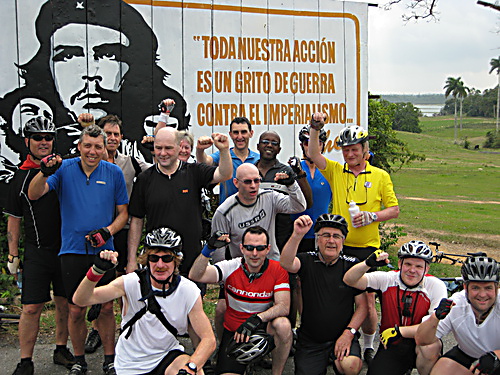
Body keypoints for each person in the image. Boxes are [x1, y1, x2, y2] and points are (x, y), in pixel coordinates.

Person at [0, 0, 189, 182]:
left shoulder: (135, 152)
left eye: (109, 54)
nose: (91, 73)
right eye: (69, 55)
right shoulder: (19, 121)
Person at [28, 124, 129, 375]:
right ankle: (79, 360)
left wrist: (107, 231)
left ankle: (109, 359)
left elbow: (123, 214)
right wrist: (43, 172)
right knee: (76, 308)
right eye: (87, 146)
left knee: (105, 307)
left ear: (105, 148)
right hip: (71, 250)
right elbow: (34, 194)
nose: (92, 151)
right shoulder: (64, 168)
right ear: (79, 146)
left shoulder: (114, 172)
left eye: (98, 146)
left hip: (104, 251)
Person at [308, 113, 400, 362]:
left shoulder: (380, 175)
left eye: (354, 149)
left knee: (368, 304)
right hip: (339, 246)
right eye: (346, 149)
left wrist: (372, 217)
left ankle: (368, 345)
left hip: (367, 248)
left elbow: (394, 209)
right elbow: (315, 154)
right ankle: (336, 343)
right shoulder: (337, 171)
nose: (350, 154)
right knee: (336, 299)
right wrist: (315, 128)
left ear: (364, 149)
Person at [73, 227, 216, 375]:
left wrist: (190, 368)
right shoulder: (131, 282)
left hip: (165, 356)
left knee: (195, 371)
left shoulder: (188, 290)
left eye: (166, 258)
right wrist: (97, 271)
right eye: (154, 258)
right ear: (146, 260)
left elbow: (209, 339)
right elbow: (81, 299)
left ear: (176, 260)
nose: (160, 265)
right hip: (130, 364)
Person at [5, 116, 75, 375]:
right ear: (27, 141)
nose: (44, 142)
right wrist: (13, 256)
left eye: (48, 137)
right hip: (37, 251)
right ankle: (25, 361)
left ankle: (60, 348)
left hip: (66, 248)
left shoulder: (64, 168)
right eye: (38, 138)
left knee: (64, 303)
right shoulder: (18, 178)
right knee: (31, 307)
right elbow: (14, 221)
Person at [126, 127, 233, 277]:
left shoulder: (193, 172)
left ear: (179, 147)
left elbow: (224, 174)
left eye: (168, 148)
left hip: (191, 260)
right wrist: (131, 260)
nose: (163, 153)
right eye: (158, 148)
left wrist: (224, 150)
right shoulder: (144, 179)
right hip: (159, 263)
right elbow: (136, 220)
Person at [189, 226, 292, 375]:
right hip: (236, 333)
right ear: (242, 248)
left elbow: (283, 306)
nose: (255, 254)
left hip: (262, 330)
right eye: (249, 248)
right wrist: (208, 250)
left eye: (260, 248)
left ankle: (277, 372)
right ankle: (223, 350)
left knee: (283, 325)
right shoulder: (231, 266)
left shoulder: (277, 269)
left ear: (268, 249)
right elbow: (196, 275)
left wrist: (256, 319)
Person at [280, 214, 367, 375]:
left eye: (336, 236)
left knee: (350, 366)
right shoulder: (307, 260)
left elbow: (363, 307)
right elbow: (285, 263)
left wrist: (349, 334)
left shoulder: (352, 265)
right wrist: (297, 235)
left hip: (343, 335)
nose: (331, 241)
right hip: (311, 339)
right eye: (325, 235)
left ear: (343, 240)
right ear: (317, 239)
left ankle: (337, 358)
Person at [343, 241, 447, 375]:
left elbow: (434, 326)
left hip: (420, 344)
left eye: (419, 266)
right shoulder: (388, 278)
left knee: (431, 347)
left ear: (426, 269)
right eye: (408, 264)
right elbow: (349, 280)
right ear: (399, 264)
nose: (412, 270)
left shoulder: (436, 286)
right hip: (392, 344)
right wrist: (367, 264)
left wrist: (399, 331)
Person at [415, 256, 500, 375]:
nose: (482, 294)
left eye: (488, 288)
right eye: (475, 287)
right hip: (468, 354)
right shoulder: (457, 302)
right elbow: (422, 340)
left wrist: (496, 356)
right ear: (465, 287)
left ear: (497, 287)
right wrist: (435, 317)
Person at [255, 130, 312, 251]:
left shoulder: (286, 171)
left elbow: (307, 203)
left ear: (279, 150)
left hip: (281, 236)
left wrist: (298, 174)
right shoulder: (250, 170)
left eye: (274, 143)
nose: (269, 145)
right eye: (265, 142)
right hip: (254, 235)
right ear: (258, 147)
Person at [196, 116, 259, 203]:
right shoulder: (224, 155)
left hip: (253, 210)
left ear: (251, 133)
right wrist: (200, 150)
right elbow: (204, 162)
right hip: (228, 211)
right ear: (230, 134)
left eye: (243, 132)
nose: (240, 137)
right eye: (236, 132)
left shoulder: (258, 159)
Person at [290, 126, 332, 252]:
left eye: (317, 142)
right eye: (307, 143)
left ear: (323, 145)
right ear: (302, 145)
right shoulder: (293, 170)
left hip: (323, 234)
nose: (311, 146)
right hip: (298, 234)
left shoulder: (330, 171)